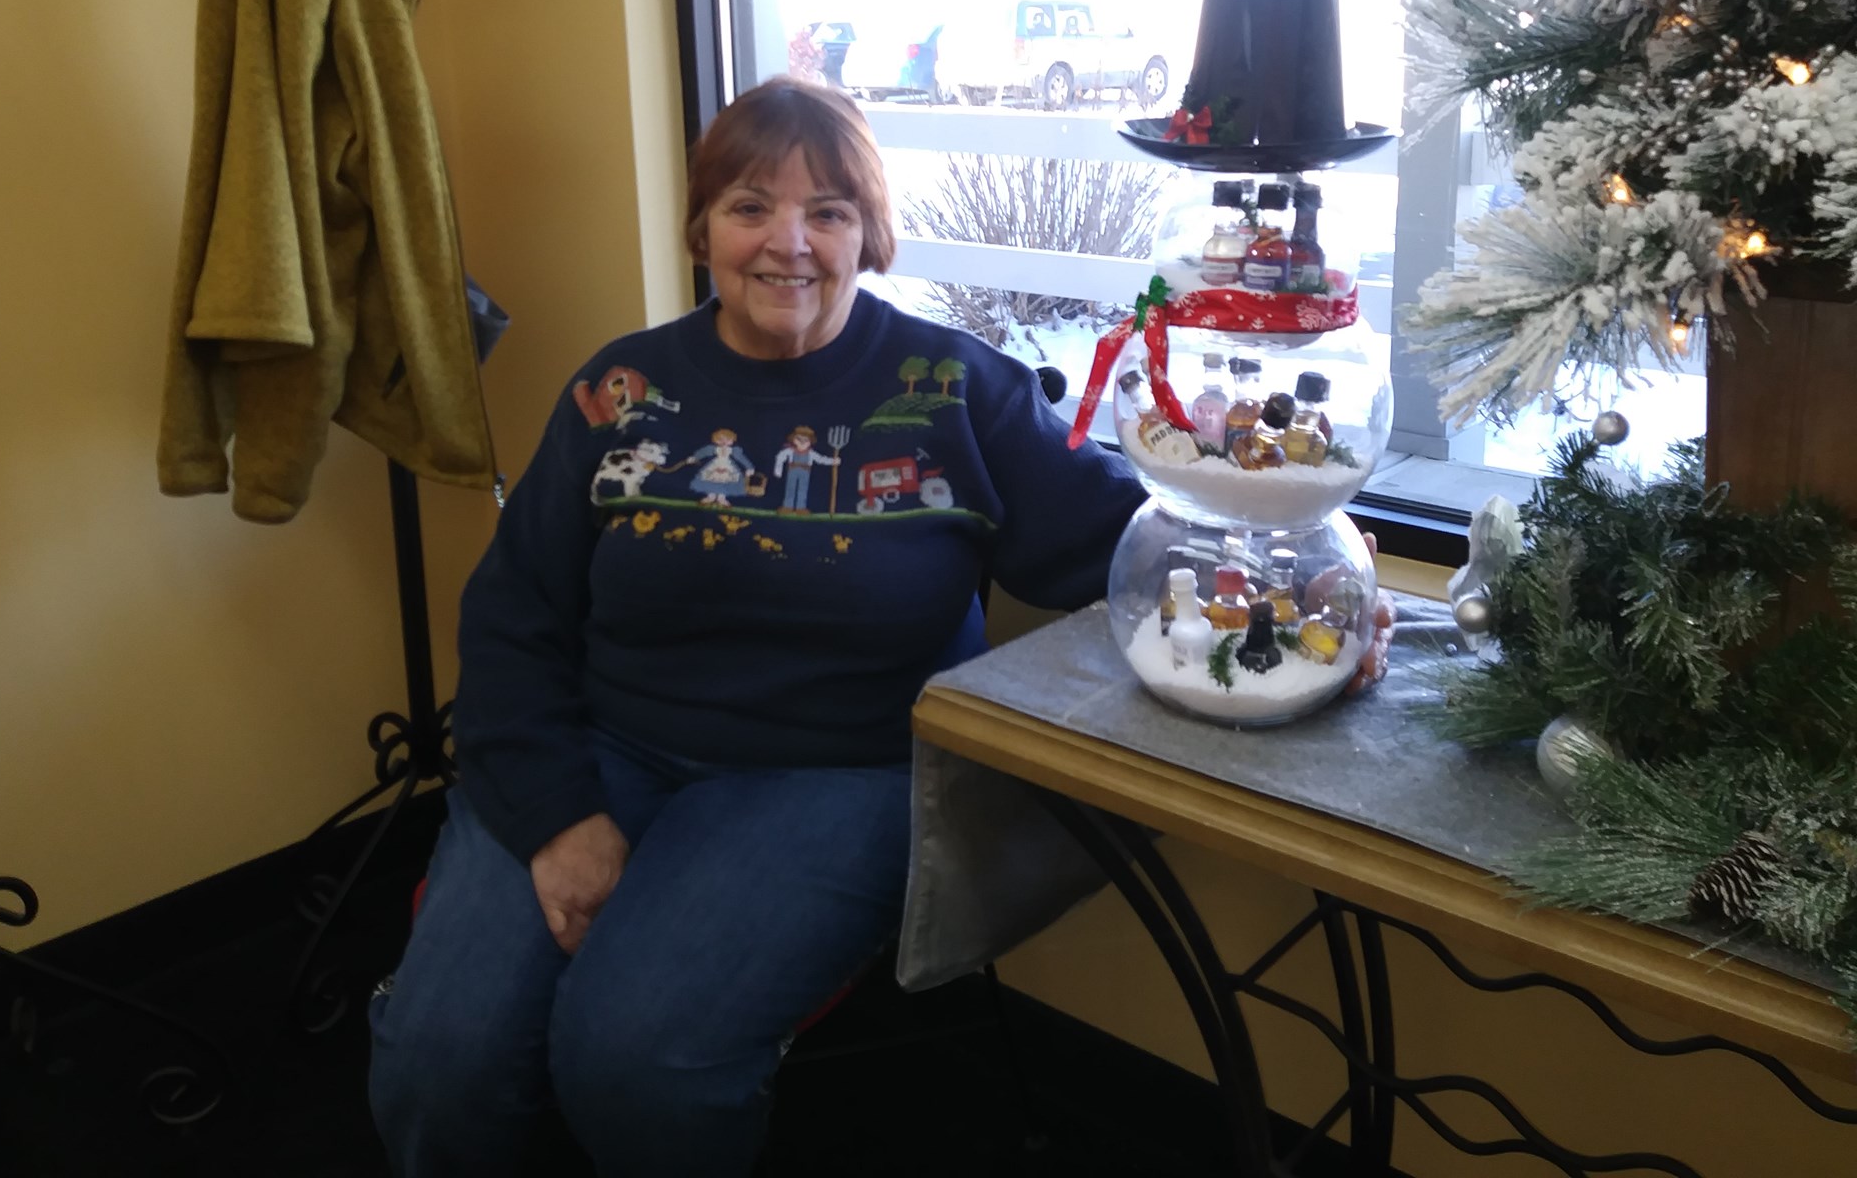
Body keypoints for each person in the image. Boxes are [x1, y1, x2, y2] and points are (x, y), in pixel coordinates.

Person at [366, 77, 1394, 1177]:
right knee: (440, 1061)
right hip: (601, 746)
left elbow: (1127, 541)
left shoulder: (955, 388)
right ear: (703, 228)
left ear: (869, 233)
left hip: (836, 774)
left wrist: (1305, 606)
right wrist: (558, 815)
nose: (788, 243)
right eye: (750, 207)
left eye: (829, 211)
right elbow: (513, 614)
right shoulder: (620, 391)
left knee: (632, 1060)